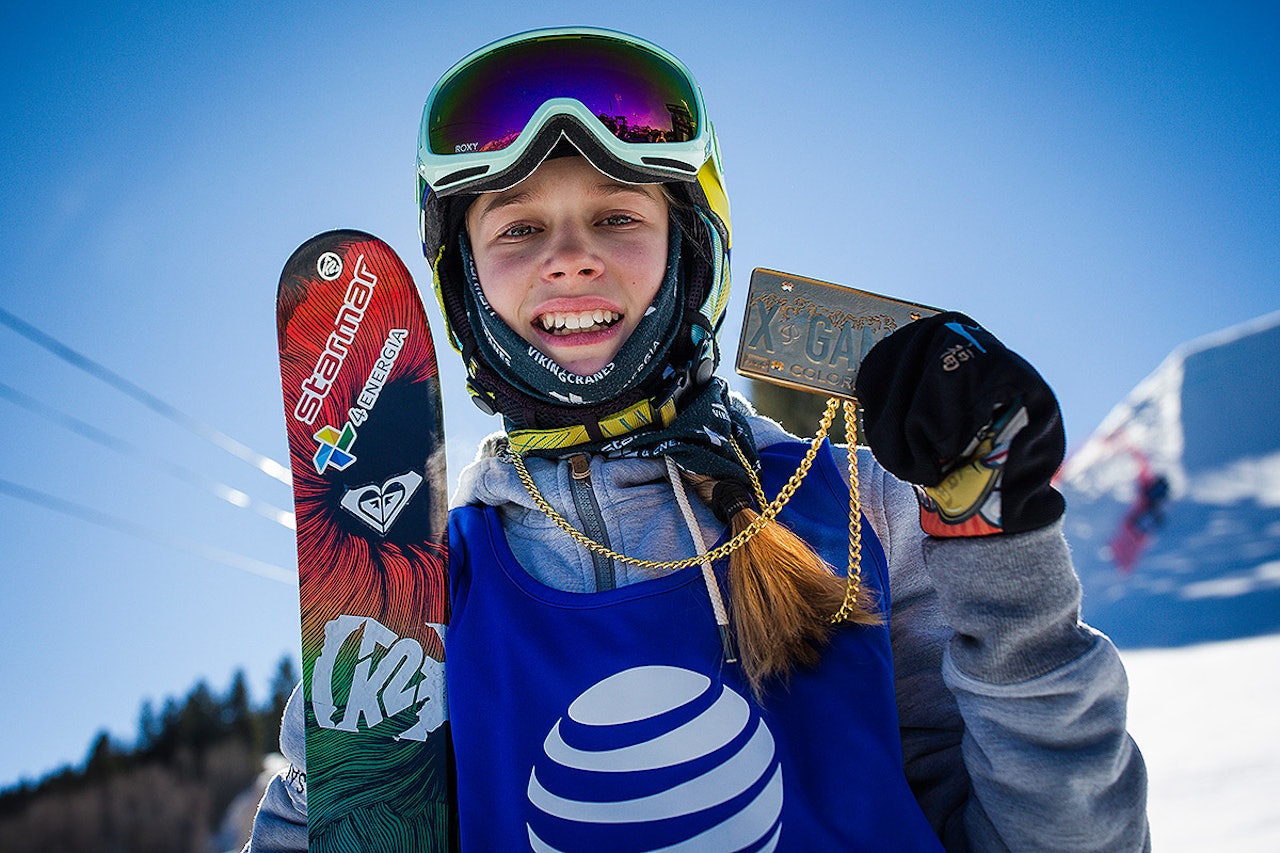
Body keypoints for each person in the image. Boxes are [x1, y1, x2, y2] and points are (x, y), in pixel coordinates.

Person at [248, 26, 1149, 852]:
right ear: (463, 281)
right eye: (519, 228)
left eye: (617, 217)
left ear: (689, 247)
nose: (571, 255)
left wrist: (997, 542)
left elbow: (1055, 832)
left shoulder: (856, 506)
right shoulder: (418, 597)